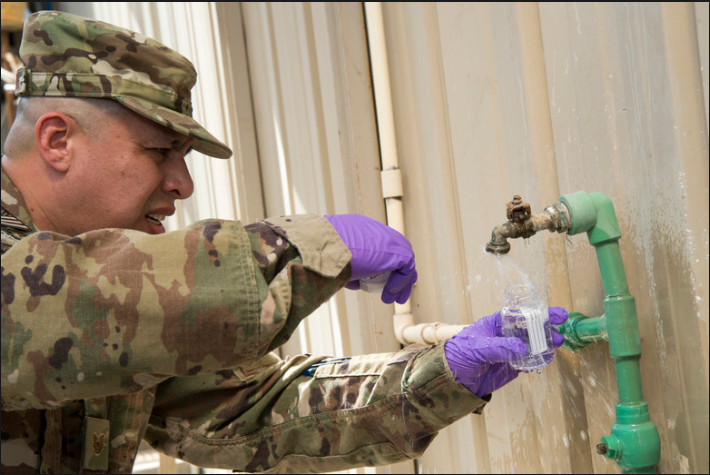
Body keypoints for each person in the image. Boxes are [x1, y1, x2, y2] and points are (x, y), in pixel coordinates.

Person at [0, 11, 568, 474]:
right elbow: (56, 308)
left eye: (183, 158)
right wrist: (302, 252)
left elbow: (252, 412)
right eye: (158, 152)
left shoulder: (117, 299)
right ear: (56, 140)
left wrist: (443, 375)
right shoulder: (67, 292)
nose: (183, 183)